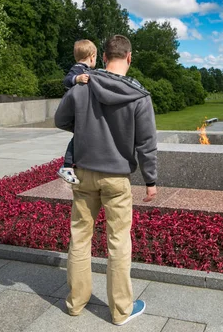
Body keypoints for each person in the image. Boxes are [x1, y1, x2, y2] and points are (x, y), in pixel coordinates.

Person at [55, 35, 158, 326]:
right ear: (129, 57)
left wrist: (85, 126)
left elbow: (60, 120)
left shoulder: (82, 86)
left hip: (84, 174)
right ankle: (121, 311)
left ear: (102, 58)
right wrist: (151, 180)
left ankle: (75, 303)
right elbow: (146, 143)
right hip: (117, 179)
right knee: (118, 243)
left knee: (79, 238)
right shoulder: (139, 96)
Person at [57, 40, 97, 185]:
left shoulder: (88, 70)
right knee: (78, 137)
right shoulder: (78, 68)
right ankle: (67, 166)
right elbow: (67, 81)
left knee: (82, 137)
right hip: (76, 112)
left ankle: (76, 163)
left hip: (81, 111)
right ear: (92, 56)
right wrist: (77, 78)